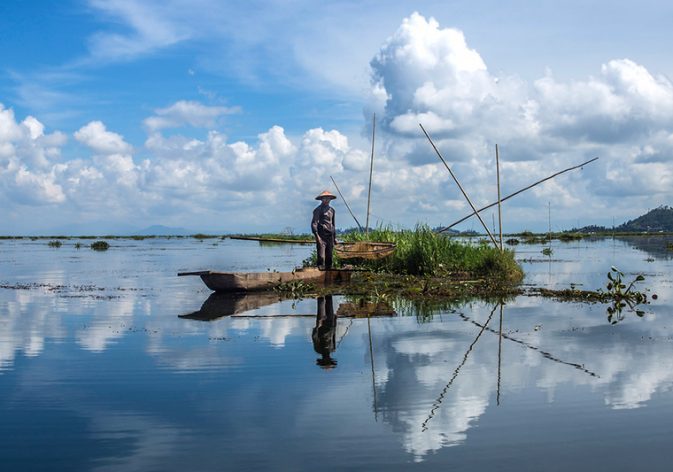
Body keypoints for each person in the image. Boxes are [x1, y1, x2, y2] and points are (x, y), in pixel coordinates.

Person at [311, 190, 337, 270]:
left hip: (330, 236)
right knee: (321, 256)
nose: (326, 200)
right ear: (321, 199)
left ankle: (329, 275)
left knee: (329, 257)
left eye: (328, 198)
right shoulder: (318, 210)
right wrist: (317, 236)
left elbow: (333, 224)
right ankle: (320, 272)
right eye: (325, 198)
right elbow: (314, 223)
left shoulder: (332, 210)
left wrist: (335, 237)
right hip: (321, 235)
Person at [312, 295, 337, 369]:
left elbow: (314, 337)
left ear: (322, 359)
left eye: (325, 360)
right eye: (328, 360)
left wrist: (317, 326)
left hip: (321, 327)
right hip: (330, 325)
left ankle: (319, 292)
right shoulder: (332, 349)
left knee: (321, 304)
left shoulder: (318, 350)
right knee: (329, 304)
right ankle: (328, 292)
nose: (327, 358)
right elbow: (334, 335)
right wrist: (335, 321)